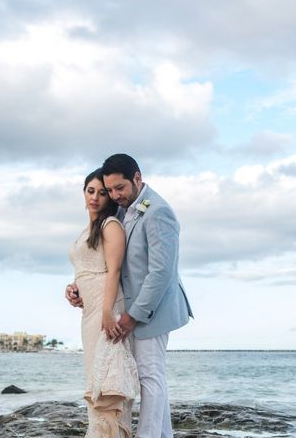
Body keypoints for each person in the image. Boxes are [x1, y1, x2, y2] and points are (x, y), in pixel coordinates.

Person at [67, 154, 192, 438]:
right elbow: (107, 263)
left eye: (119, 188)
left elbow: (161, 273)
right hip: (129, 307)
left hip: (152, 309)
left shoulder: (159, 211)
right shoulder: (125, 209)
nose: (114, 195)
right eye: (109, 190)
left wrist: (132, 317)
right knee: (151, 377)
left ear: (137, 177)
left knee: (150, 377)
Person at [68, 168, 139, 438]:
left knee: (107, 384)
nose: (95, 197)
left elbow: (114, 271)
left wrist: (108, 313)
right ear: (83, 193)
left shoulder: (111, 226)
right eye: (90, 191)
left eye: (102, 192)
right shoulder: (88, 229)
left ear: (109, 197)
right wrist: (73, 289)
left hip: (105, 308)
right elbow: (87, 268)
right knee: (94, 379)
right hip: (89, 311)